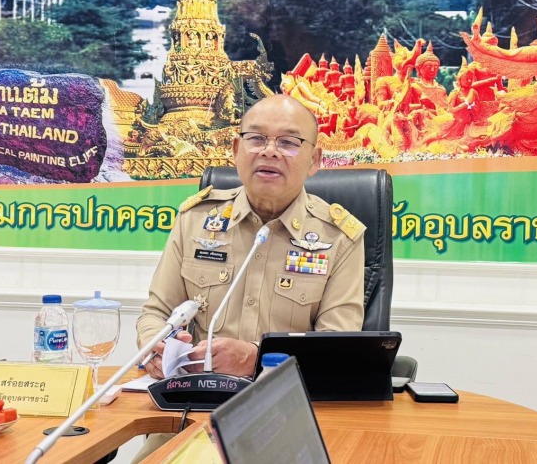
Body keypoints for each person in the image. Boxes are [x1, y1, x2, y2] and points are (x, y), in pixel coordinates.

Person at [132, 94, 365, 461]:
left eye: (288, 142)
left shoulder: (340, 237)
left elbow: (335, 351)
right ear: (237, 149)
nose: (269, 152)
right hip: (195, 412)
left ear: (315, 160)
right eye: (256, 139)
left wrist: (258, 360)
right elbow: (155, 312)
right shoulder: (196, 220)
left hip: (286, 417)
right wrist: (155, 347)